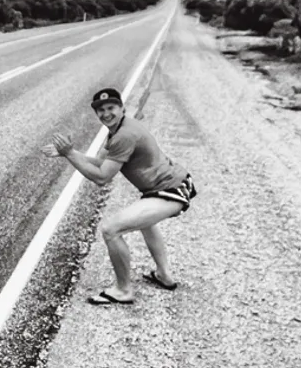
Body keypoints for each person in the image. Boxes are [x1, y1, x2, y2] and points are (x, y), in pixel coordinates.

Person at [43, 86, 197, 305]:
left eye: (111, 108)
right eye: (101, 110)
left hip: (171, 191)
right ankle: (164, 275)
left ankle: (123, 290)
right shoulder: (119, 129)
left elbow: (101, 177)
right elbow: (106, 164)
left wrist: (69, 154)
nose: (106, 114)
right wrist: (70, 154)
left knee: (110, 229)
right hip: (170, 186)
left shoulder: (124, 135)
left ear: (122, 108)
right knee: (145, 221)